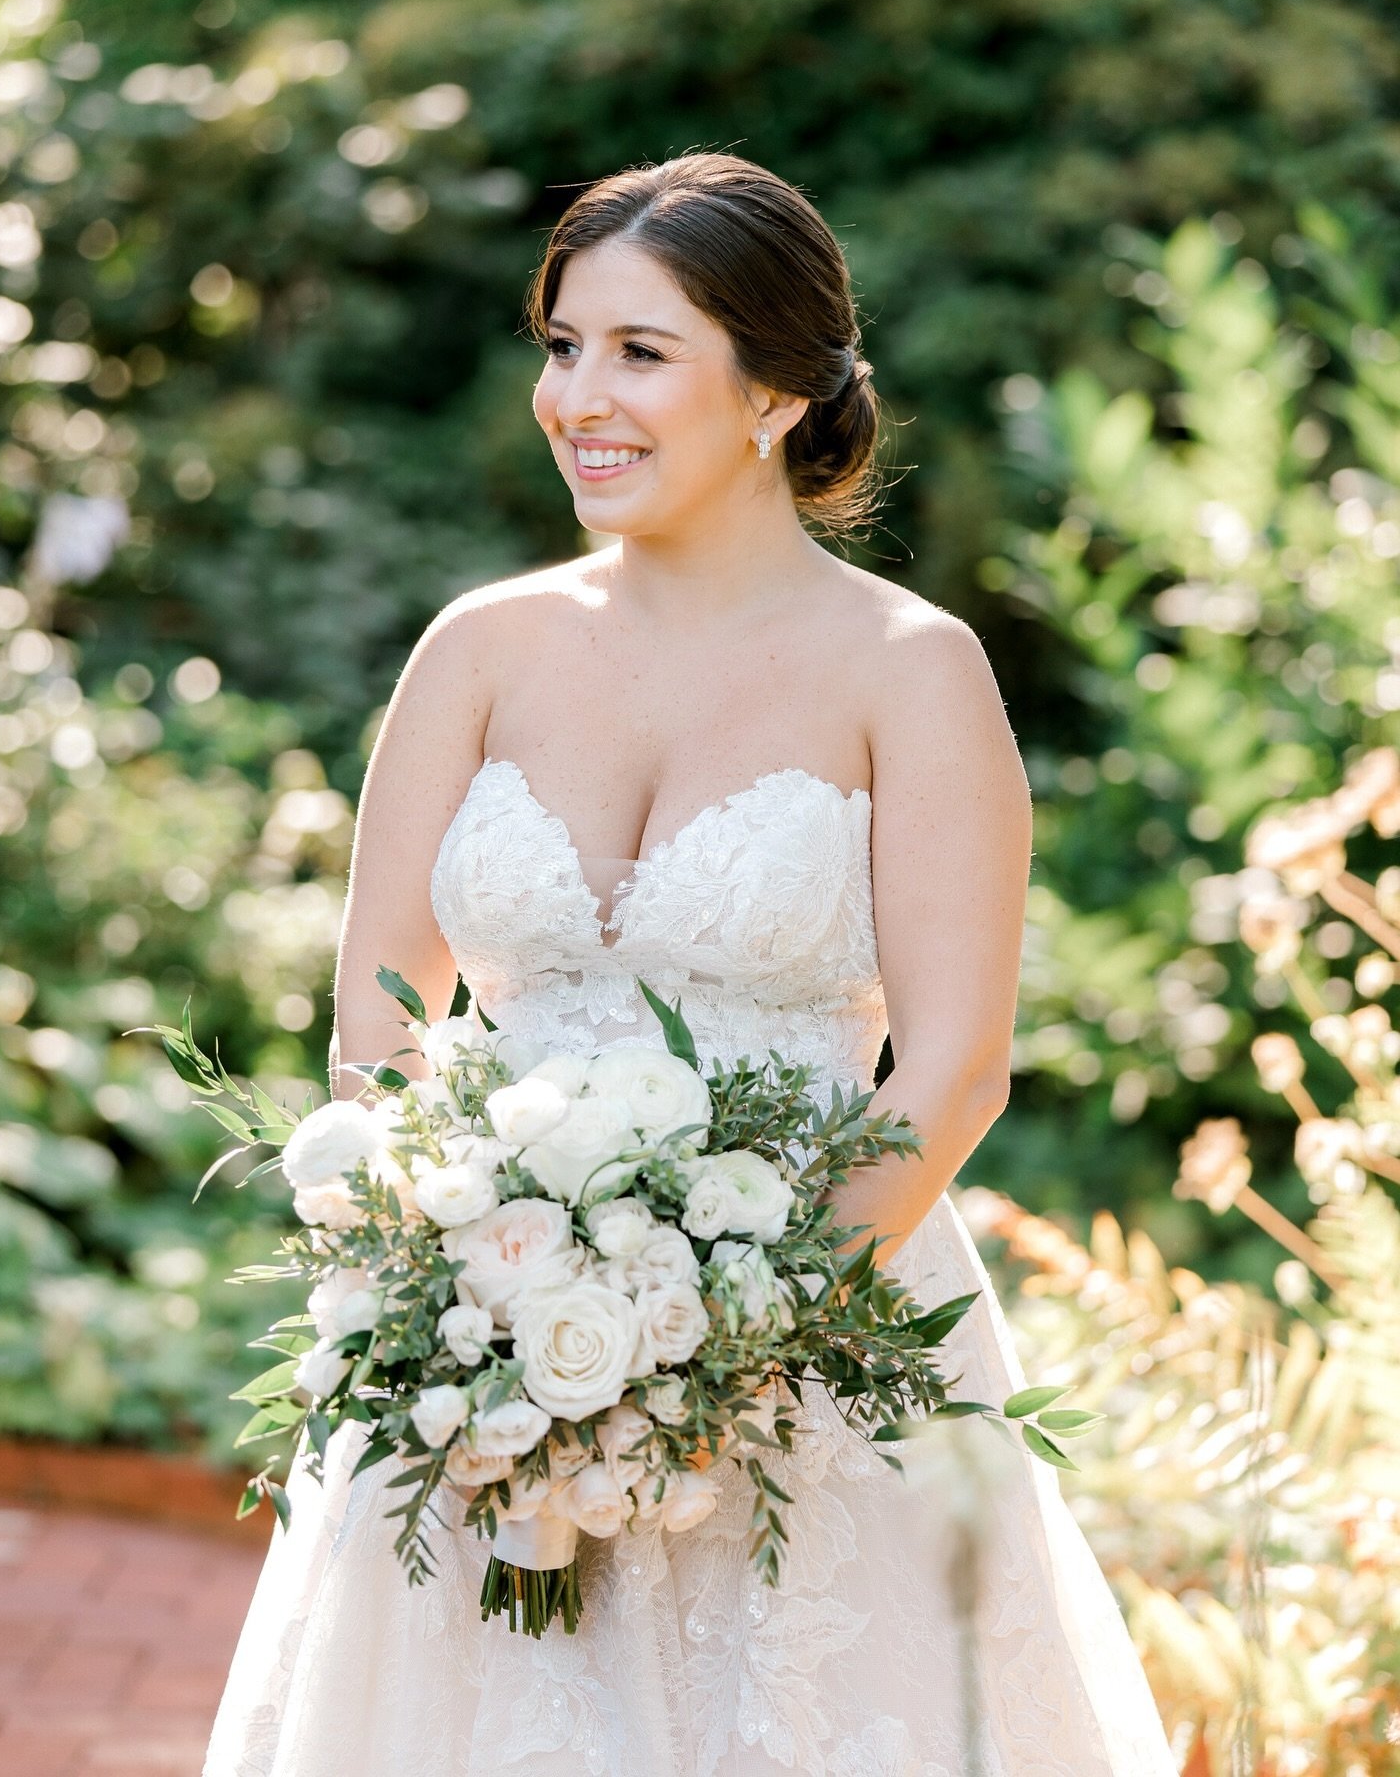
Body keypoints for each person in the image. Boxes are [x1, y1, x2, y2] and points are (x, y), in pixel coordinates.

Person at [203, 152, 1176, 1776]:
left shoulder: (912, 675)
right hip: (483, 1367)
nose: (581, 395)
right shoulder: (481, 649)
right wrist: (453, 1301)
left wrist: (729, 1352)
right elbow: (380, 1021)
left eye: (641, 352)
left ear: (780, 392)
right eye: (563, 344)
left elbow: (951, 1069)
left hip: (819, 1347)